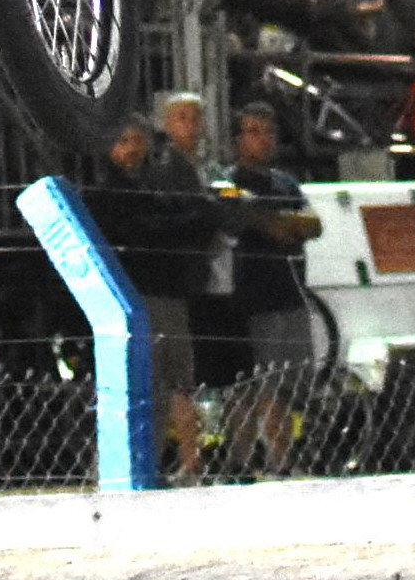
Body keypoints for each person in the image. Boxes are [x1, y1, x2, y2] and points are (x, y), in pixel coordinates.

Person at [79, 108, 214, 471]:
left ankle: (152, 465)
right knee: (139, 386)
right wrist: (183, 222)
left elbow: (186, 225)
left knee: (171, 385)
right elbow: (144, 232)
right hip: (136, 297)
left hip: (168, 291)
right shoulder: (105, 193)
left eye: (138, 140)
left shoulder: (157, 184)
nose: (132, 149)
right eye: (123, 141)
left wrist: (183, 222)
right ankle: (118, 468)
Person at [215, 102, 325, 371]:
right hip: (254, 304)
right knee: (265, 380)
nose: (264, 139)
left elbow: (314, 225)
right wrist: (283, 223)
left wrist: (275, 221)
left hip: (292, 299)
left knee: (299, 381)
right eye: (254, 131)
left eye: (269, 131)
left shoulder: (287, 183)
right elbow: (252, 218)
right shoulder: (227, 183)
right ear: (238, 140)